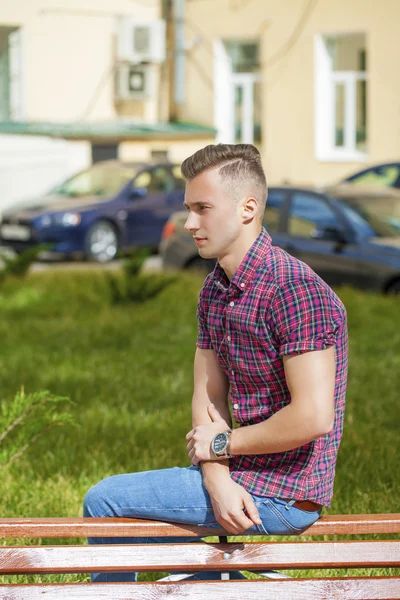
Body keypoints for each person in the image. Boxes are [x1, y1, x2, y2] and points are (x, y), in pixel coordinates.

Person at [83, 143, 348, 582]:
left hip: (283, 494)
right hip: (236, 479)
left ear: (247, 208)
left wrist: (222, 448)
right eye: (188, 208)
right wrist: (216, 478)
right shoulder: (215, 289)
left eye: (203, 208)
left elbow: (313, 417)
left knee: (105, 501)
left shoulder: (296, 291)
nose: (189, 223)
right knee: (126, 519)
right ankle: (228, 586)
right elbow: (208, 398)